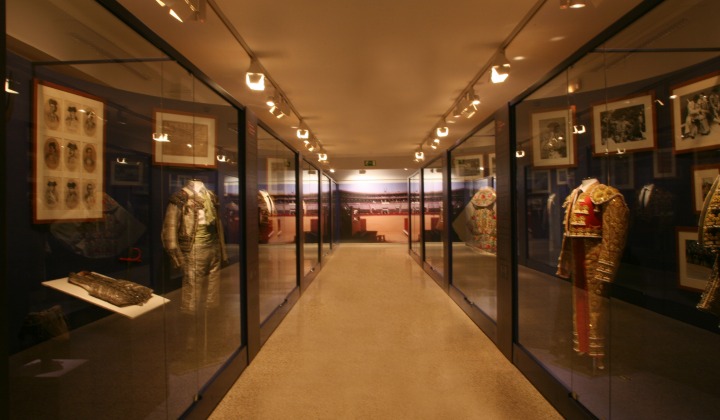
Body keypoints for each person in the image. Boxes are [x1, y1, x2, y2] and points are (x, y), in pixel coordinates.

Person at [556, 178, 629, 370]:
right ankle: (583, 346)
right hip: (578, 256)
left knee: (597, 305)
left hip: (596, 256)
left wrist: (607, 267)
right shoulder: (574, 195)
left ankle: (598, 352)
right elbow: (568, 234)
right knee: (580, 302)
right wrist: (565, 260)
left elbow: (614, 236)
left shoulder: (609, 195)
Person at [161, 180, 227, 314]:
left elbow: (218, 224)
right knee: (193, 282)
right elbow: (170, 227)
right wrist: (175, 254)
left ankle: (212, 311)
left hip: (213, 244)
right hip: (194, 246)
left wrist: (222, 250)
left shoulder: (211, 196)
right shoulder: (180, 197)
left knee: (214, 281)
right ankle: (190, 314)